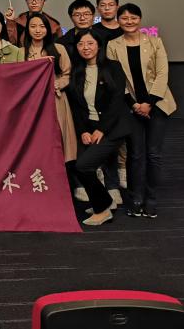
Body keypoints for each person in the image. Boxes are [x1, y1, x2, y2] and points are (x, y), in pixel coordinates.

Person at [106, 3, 177, 218]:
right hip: (131, 107)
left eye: (133, 17)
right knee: (135, 154)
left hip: (157, 105)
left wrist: (149, 103)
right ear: (118, 20)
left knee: (153, 154)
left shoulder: (155, 42)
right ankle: (136, 198)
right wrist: (134, 105)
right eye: (124, 18)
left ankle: (151, 198)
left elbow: (162, 73)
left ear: (140, 19)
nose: (129, 21)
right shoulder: (113, 45)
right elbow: (115, 79)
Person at [66, 29, 133, 226]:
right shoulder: (77, 71)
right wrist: (83, 131)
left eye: (90, 43)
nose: (85, 48)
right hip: (89, 127)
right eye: (80, 44)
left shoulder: (113, 67)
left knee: (84, 165)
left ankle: (102, 209)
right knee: (75, 164)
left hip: (113, 128)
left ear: (99, 46)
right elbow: (76, 107)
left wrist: (101, 129)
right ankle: (104, 201)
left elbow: (117, 102)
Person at [22, 12, 76, 164]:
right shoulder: (22, 52)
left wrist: (57, 84)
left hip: (56, 99)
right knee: (36, 139)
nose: (38, 30)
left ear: (47, 29)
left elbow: (68, 74)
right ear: (27, 29)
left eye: (42, 26)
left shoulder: (59, 48)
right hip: (32, 102)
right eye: (33, 26)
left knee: (57, 137)